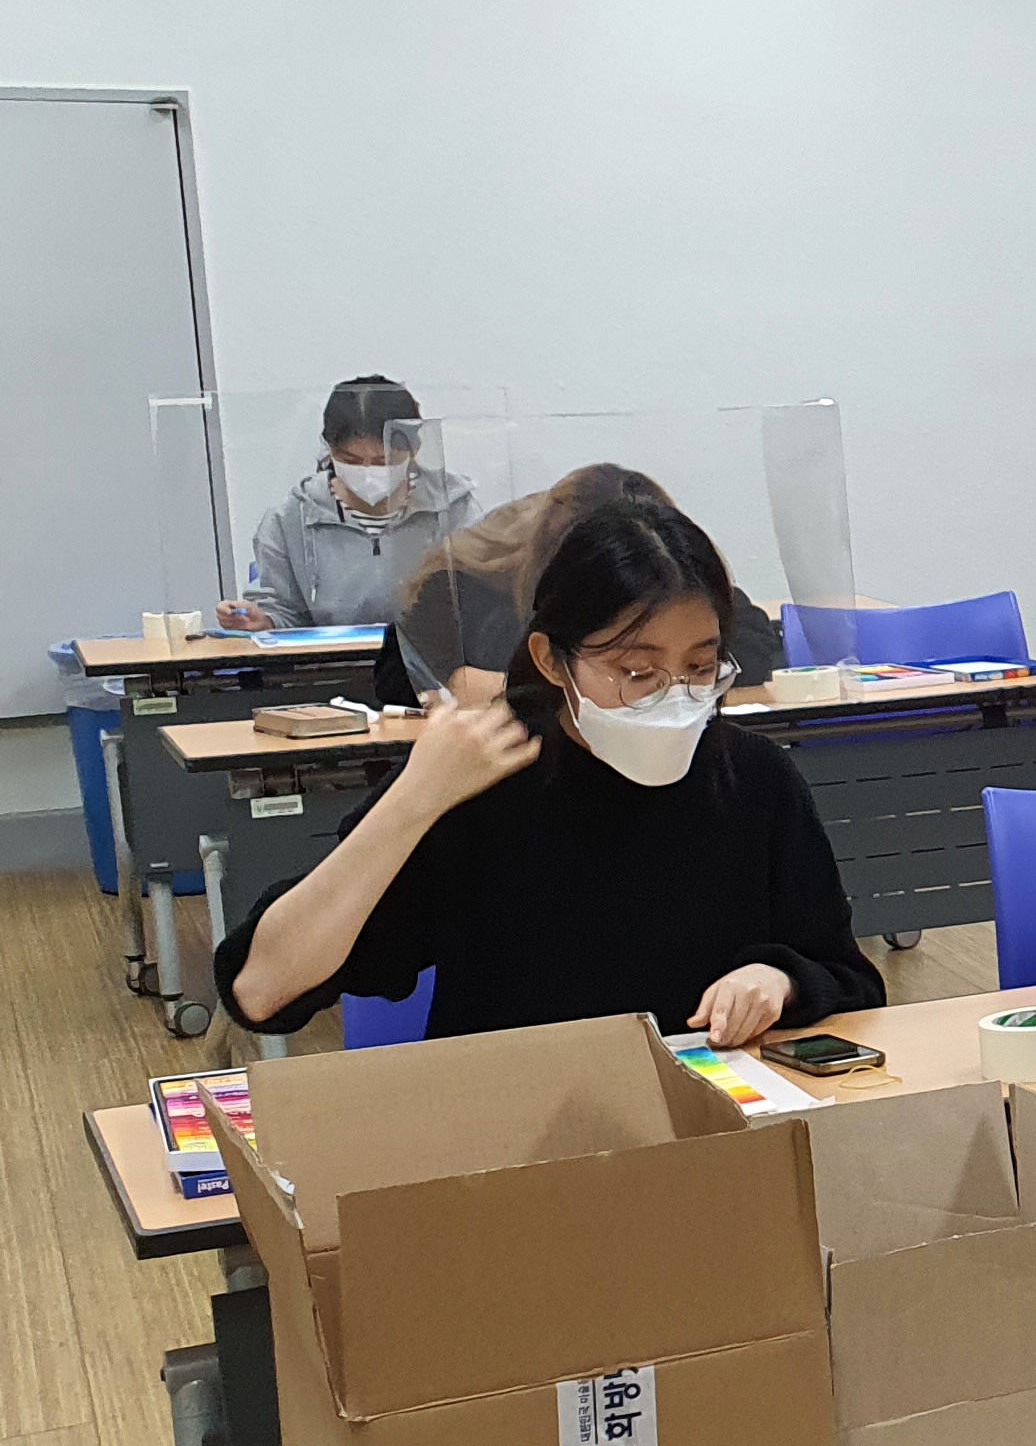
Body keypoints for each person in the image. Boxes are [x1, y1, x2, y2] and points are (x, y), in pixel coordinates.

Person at [217, 486, 880, 1047]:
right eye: (636, 672)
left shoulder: (753, 778)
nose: (674, 697)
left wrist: (778, 979)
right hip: (517, 1126)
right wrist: (413, 800)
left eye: (701, 667)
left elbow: (845, 973)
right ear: (551, 660)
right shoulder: (483, 783)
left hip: (712, 1125)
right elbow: (262, 990)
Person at [393, 466, 785, 707]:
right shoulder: (473, 587)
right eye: (636, 669)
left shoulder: (668, 558)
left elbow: (751, 642)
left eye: (697, 667)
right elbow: (411, 673)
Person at [226, 376, 480, 656]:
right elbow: (283, 611)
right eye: (351, 461)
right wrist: (263, 621)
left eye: (384, 461)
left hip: (435, 666)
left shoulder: (454, 509)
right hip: (329, 668)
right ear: (330, 451)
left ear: (414, 449)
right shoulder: (289, 520)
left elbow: (483, 599)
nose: (369, 473)